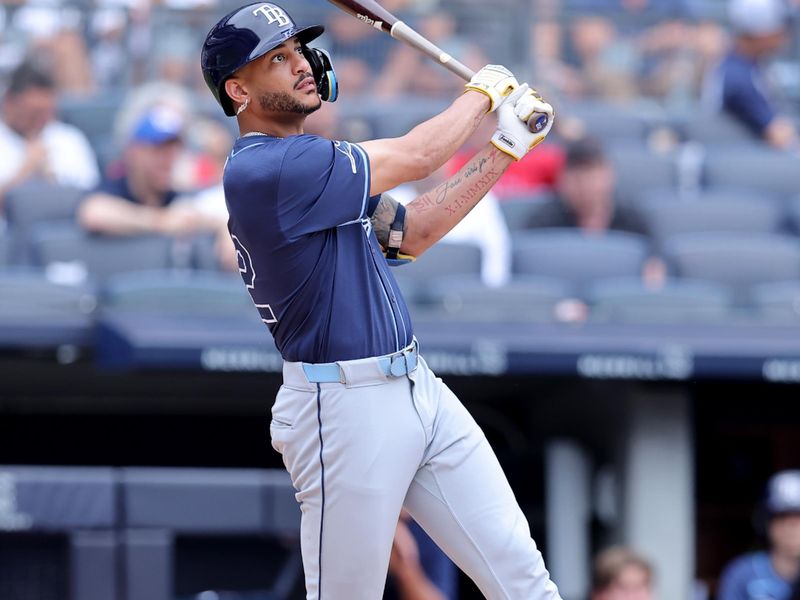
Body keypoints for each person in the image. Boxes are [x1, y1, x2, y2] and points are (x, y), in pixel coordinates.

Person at [199, 3, 560, 599]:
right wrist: (482, 92)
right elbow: (418, 156)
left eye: (297, 52)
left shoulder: (313, 163)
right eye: (277, 59)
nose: (300, 65)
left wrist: (505, 146)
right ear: (238, 90)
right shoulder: (268, 168)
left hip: (417, 386)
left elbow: (408, 233)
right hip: (340, 406)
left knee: (523, 578)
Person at [77, 105, 221, 237]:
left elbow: (209, 215)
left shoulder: (174, 192)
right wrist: (161, 220)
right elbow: (93, 213)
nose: (168, 159)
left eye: (173, 150)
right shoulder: (118, 183)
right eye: (159, 150)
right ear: (134, 152)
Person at [0, 59, 99, 210]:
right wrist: (26, 170)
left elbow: (90, 198)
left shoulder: (69, 138)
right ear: (9, 103)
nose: (41, 120)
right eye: (34, 112)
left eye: (47, 112)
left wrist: (52, 179)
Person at [702, 0, 798, 149]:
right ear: (760, 34)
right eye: (779, 30)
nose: (784, 36)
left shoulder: (748, 65)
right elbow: (780, 136)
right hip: (737, 165)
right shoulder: (737, 76)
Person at [718, 470, 800, 600]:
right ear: (766, 523)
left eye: (798, 518)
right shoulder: (742, 574)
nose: (792, 527)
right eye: (782, 517)